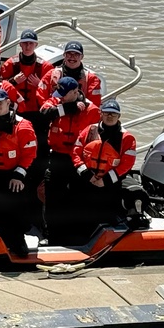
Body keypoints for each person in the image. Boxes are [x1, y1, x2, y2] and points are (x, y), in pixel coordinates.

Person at [0, 87, 38, 257]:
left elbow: (30, 153)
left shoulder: (23, 126)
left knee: (12, 213)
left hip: (12, 176)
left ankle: (18, 245)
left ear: (8, 103)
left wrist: (19, 174)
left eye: (0, 103)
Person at [40, 76, 100, 244]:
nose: (60, 97)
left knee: (79, 196)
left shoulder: (91, 109)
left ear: (75, 92)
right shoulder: (56, 100)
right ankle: (51, 235)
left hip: (79, 159)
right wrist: (67, 108)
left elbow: (94, 138)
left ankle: (77, 235)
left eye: (64, 94)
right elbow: (44, 114)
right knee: (52, 196)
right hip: (58, 156)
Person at [70, 98, 136, 240]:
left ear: (119, 116)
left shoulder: (127, 138)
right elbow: (76, 152)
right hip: (87, 179)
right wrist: (87, 174)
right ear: (101, 114)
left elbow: (127, 164)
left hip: (109, 183)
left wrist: (105, 180)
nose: (110, 116)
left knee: (105, 214)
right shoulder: (89, 130)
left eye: (113, 114)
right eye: (106, 113)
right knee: (78, 211)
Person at [1, 29, 54, 178]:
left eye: (31, 43)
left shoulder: (45, 67)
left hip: (37, 112)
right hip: (16, 110)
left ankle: (38, 173)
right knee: (14, 141)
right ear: (20, 45)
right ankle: (15, 168)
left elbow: (54, 93)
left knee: (40, 143)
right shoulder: (11, 64)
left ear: (36, 45)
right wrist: (13, 81)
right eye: (25, 43)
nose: (28, 46)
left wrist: (40, 84)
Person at [37, 40, 103, 107]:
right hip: (56, 113)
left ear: (82, 57)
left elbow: (94, 103)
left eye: (76, 54)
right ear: (64, 55)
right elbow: (41, 96)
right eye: (69, 54)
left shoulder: (91, 79)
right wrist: (54, 110)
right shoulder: (51, 74)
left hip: (80, 114)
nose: (72, 57)